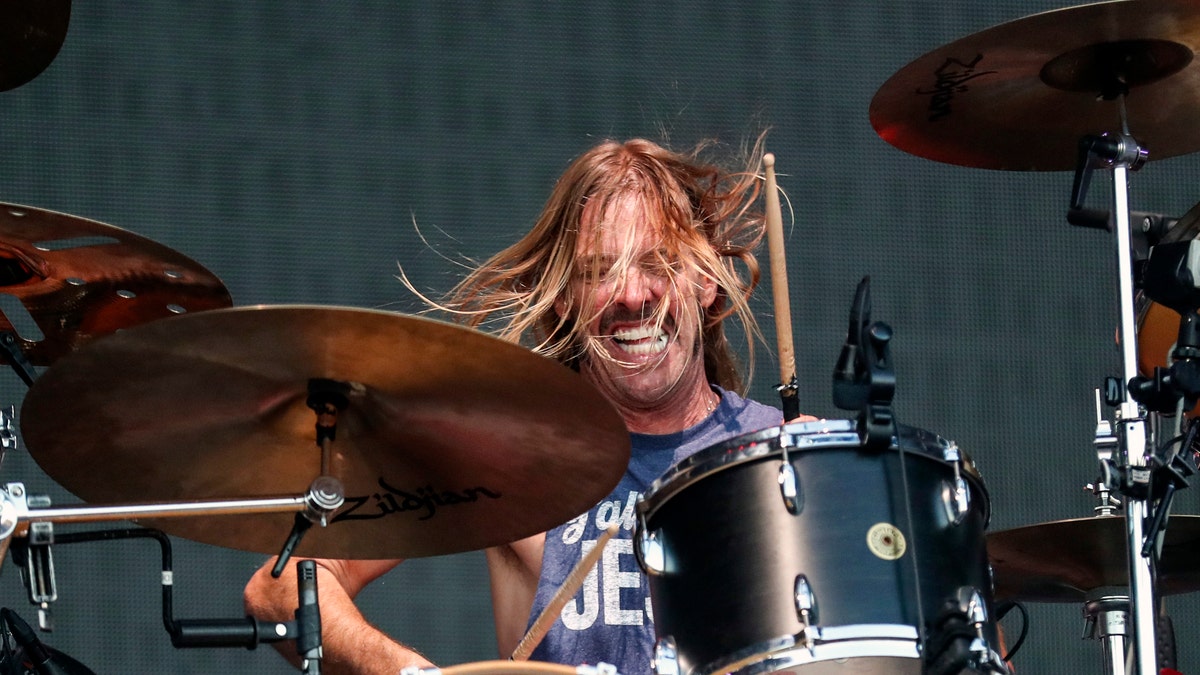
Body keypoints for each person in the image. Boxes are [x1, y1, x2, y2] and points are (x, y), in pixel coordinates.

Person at [243, 137, 806, 675]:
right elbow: (282, 584)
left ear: (707, 280)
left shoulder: (788, 460)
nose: (633, 295)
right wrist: (414, 673)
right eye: (599, 271)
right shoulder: (506, 453)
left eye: (657, 263)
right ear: (563, 296)